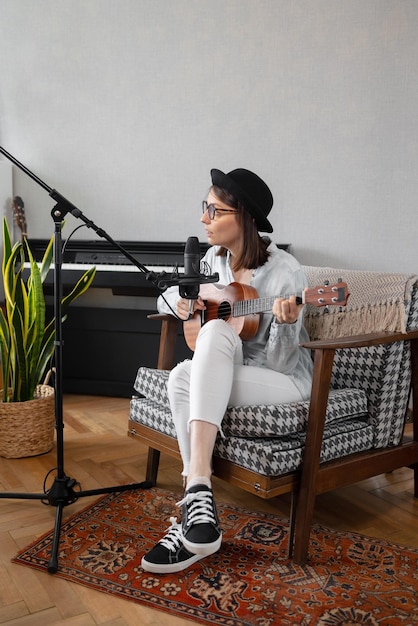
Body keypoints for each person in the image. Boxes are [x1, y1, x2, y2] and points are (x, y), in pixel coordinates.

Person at [141, 168, 313, 574]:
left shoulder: (285, 272)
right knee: (183, 374)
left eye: (213, 210)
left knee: (211, 338)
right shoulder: (212, 259)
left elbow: (283, 363)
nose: (204, 218)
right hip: (223, 375)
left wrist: (286, 324)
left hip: (281, 380)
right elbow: (171, 295)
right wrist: (182, 305)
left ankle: (195, 494)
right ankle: (198, 509)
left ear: (244, 218)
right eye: (205, 208)